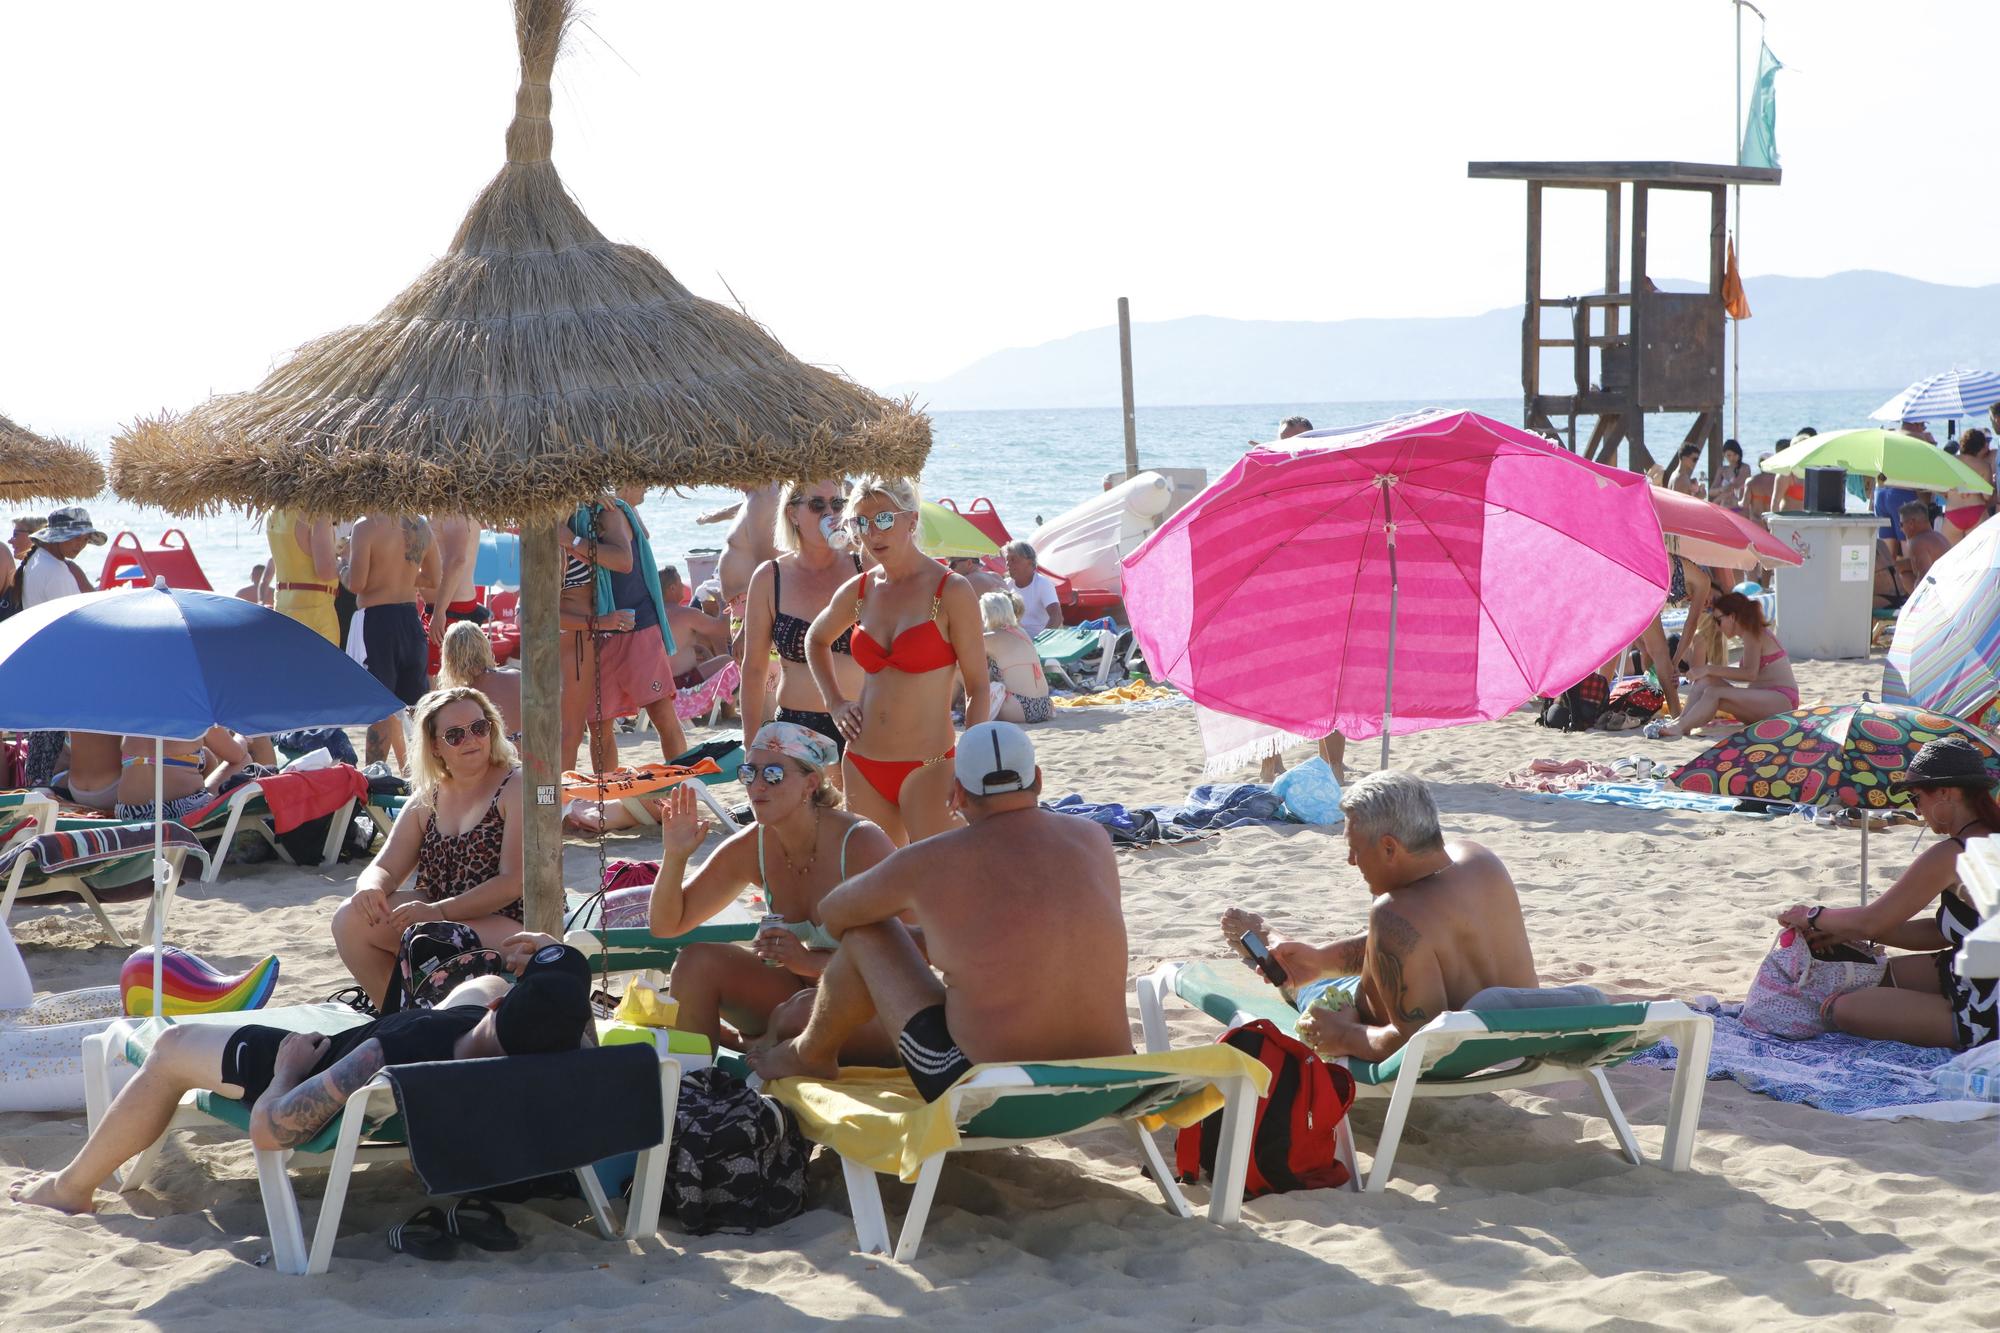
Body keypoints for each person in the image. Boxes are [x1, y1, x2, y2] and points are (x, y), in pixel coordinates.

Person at [8, 939, 594, 1216]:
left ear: (499, 1014)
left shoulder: (388, 1053)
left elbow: (272, 1131)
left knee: (170, 1047)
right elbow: (538, 1015)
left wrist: (287, 1066)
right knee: (478, 982)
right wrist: (537, 967)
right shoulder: (557, 1060)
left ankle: (71, 1187)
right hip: (445, 1045)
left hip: (315, 1058)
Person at [749, 722, 1132, 1097]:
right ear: (1039, 780)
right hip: (1109, 1076)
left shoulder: (933, 859)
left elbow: (835, 913)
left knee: (868, 932)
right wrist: (941, 936)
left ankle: (809, 1053)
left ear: (957, 793)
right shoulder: (1093, 838)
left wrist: (922, 929)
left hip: (985, 1087)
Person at [1218, 770, 1538, 1064]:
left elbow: (1419, 1044)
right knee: (1313, 968)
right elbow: (1416, 942)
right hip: (1513, 1043)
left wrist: (1343, 1034)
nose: (1351, 861)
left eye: (1355, 849)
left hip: (1420, 1047)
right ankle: (1305, 958)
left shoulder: (1392, 913)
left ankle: (1274, 943)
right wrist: (1320, 958)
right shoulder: (1480, 861)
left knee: (1306, 991)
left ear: (1389, 848)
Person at [623, 722, 894, 1048]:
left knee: (796, 1015)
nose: (758, 786)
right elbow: (667, 925)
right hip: (800, 996)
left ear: (810, 783)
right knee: (695, 964)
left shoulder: (861, 843)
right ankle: (700, 1084)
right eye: (749, 773)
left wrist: (807, 962)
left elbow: (906, 960)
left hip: (873, 1005)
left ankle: (753, 1044)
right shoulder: (755, 845)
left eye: (774, 775)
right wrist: (675, 856)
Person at [1779, 737, 1996, 1049]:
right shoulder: (1990, 837)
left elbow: (1872, 921)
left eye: (1916, 797)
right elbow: (1945, 931)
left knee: (1846, 1009)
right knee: (1882, 975)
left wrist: (1812, 916)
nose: (1915, 808)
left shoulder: (1954, 853)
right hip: (1980, 965)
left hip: (1988, 999)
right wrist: (1847, 930)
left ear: (1947, 792)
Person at [808, 476, 990, 844]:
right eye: (862, 521)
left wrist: (970, 765)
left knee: (942, 885)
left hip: (931, 765)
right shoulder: (861, 590)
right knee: (877, 889)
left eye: (884, 519)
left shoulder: (950, 589)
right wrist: (835, 703)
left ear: (911, 520)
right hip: (862, 764)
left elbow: (978, 686)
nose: (873, 532)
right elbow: (816, 638)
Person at [331, 688, 524, 1007]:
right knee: (349, 919)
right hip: (434, 911)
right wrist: (370, 889)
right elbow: (386, 867)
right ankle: (397, 1015)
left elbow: (512, 882)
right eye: (455, 735)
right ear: (435, 746)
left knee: (429, 934)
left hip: (508, 917)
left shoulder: (515, 785)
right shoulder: (430, 795)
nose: (472, 739)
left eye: (479, 727)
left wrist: (439, 912)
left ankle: (421, 1017)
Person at [740, 478, 863, 755]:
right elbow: (754, 668)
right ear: (792, 513)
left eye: (837, 504)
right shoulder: (770, 577)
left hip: (862, 723)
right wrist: (750, 743)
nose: (829, 514)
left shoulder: (864, 567)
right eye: (817, 505)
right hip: (797, 729)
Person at [588, 486, 686, 766]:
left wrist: (573, 541)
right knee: (600, 725)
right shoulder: (606, 511)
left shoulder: (617, 511)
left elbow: (627, 556)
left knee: (659, 714)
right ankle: (605, 802)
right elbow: (624, 559)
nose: (647, 485)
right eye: (641, 479)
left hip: (635, 623)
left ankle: (683, 789)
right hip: (608, 627)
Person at [343, 513, 441, 770]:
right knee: (413, 707)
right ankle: (422, 774)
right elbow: (434, 579)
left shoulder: (366, 525)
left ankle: (374, 780)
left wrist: (340, 566)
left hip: (378, 622)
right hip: (410, 618)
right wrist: (404, 577)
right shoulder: (420, 524)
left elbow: (356, 583)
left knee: (380, 705)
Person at [1647, 591, 1798, 738]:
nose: (1718, 627)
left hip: (1782, 703)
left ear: (1732, 617)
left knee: (1713, 691)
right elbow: (1745, 675)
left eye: (1718, 620)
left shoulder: (1753, 633)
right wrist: (1706, 673)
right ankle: (1680, 722)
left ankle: (1680, 726)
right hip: (1764, 706)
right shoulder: (1749, 635)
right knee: (1705, 681)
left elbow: (1749, 674)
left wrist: (1708, 669)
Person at [558, 508, 632, 772]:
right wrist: (602, 623)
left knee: (589, 731)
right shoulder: (554, 541)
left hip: (582, 640)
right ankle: (556, 809)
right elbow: (539, 615)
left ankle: (558, 806)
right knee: (569, 736)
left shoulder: (567, 531)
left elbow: (628, 553)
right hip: (573, 642)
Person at [115, 726, 251, 823]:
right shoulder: (196, 712)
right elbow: (237, 754)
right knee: (245, 759)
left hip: (130, 813)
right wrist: (241, 736)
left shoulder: (133, 716)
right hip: (181, 811)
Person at [436, 621, 521, 739]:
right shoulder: (517, 675)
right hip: (536, 753)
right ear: (485, 646)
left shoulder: (462, 699)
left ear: (449, 659)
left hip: (502, 755)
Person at [266, 510, 339, 643]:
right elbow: (326, 571)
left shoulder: (274, 514)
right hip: (316, 611)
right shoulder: (316, 514)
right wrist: (345, 559)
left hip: (282, 607)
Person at [979, 591, 1052, 724]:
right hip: (1045, 707)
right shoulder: (1020, 632)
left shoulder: (990, 638)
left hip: (1019, 708)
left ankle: (948, 710)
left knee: (959, 672)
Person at [17, 506, 104, 610]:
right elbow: (71, 621)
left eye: (85, 539)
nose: (80, 544)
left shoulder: (37, 557)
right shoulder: (56, 571)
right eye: (76, 537)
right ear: (59, 536)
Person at [428, 514, 484, 643]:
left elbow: (457, 560)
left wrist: (439, 612)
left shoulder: (454, 507)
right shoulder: (447, 506)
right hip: (444, 609)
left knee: (447, 662)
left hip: (450, 610)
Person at [1941, 428, 1994, 542]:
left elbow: (1939, 488)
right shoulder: (1984, 466)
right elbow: (1987, 496)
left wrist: (1951, 493)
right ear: (1980, 447)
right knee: (1980, 555)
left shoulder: (1948, 461)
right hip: (1976, 511)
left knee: (1951, 556)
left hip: (1953, 511)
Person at [1003, 540, 1061, 637]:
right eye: (1007, 560)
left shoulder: (1043, 584)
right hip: (1015, 642)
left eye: (1013, 559)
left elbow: (1057, 617)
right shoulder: (1005, 585)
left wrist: (1040, 641)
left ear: (1029, 561)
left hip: (1040, 641)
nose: (1008, 564)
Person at [1896, 500, 1950, 587]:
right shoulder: (1939, 537)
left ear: (1911, 523)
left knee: (1904, 576)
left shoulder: (1917, 543)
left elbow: (1925, 578)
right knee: (1905, 573)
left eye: (1901, 524)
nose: (1900, 529)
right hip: (1950, 585)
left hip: (1939, 589)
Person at [1711, 439, 1752, 513]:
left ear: (1739, 454)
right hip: (1724, 509)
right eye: (1729, 455)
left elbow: (1734, 486)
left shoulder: (1745, 468)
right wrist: (1721, 489)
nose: (1732, 458)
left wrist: (1716, 500)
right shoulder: (1722, 470)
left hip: (1740, 509)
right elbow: (1711, 491)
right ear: (1724, 455)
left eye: (1735, 455)